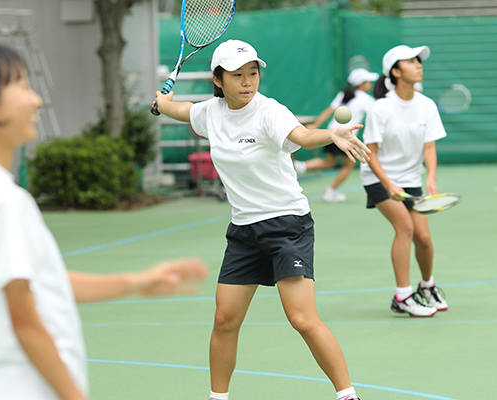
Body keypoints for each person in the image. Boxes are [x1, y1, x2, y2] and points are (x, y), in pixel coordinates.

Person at [0, 43, 208, 400]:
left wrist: (137, 282)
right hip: (26, 386)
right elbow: (25, 321)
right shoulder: (4, 201)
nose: (36, 100)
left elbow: (41, 285)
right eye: (21, 86)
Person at [154, 39, 370, 400]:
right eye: (237, 75)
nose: (247, 81)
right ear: (218, 79)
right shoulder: (211, 112)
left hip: (287, 224)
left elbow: (302, 135)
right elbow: (182, 110)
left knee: (302, 319)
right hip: (244, 230)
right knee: (224, 320)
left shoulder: (270, 112)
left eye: (252, 73)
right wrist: (162, 104)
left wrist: (331, 134)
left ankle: (348, 395)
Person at [360, 45, 449, 318]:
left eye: (418, 61)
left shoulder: (426, 105)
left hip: (411, 177)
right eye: (410, 62)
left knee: (423, 238)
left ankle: (427, 285)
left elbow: (429, 148)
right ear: (396, 72)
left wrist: (431, 177)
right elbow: (369, 152)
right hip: (378, 176)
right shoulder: (381, 109)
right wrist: (387, 184)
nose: (418, 65)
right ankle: (402, 296)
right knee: (406, 228)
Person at [294, 68, 378, 203]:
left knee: (330, 162)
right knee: (349, 165)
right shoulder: (365, 99)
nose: (370, 84)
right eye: (368, 81)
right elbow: (378, 114)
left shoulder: (343, 94)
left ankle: (300, 166)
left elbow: (329, 110)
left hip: (331, 133)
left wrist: (316, 124)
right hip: (343, 136)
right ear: (361, 83)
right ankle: (331, 191)